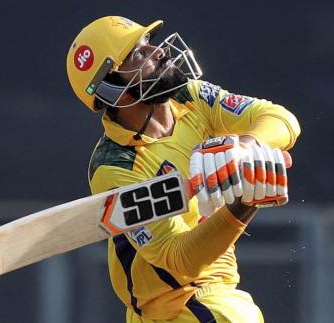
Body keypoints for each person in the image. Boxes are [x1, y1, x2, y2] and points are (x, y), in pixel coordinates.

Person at [66, 16, 301, 322]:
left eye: (148, 43)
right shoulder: (115, 165)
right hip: (174, 304)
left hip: (212, 291)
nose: (158, 51)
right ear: (111, 88)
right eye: (138, 54)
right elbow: (176, 261)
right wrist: (242, 206)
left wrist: (246, 144)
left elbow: (282, 119)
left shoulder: (190, 98)